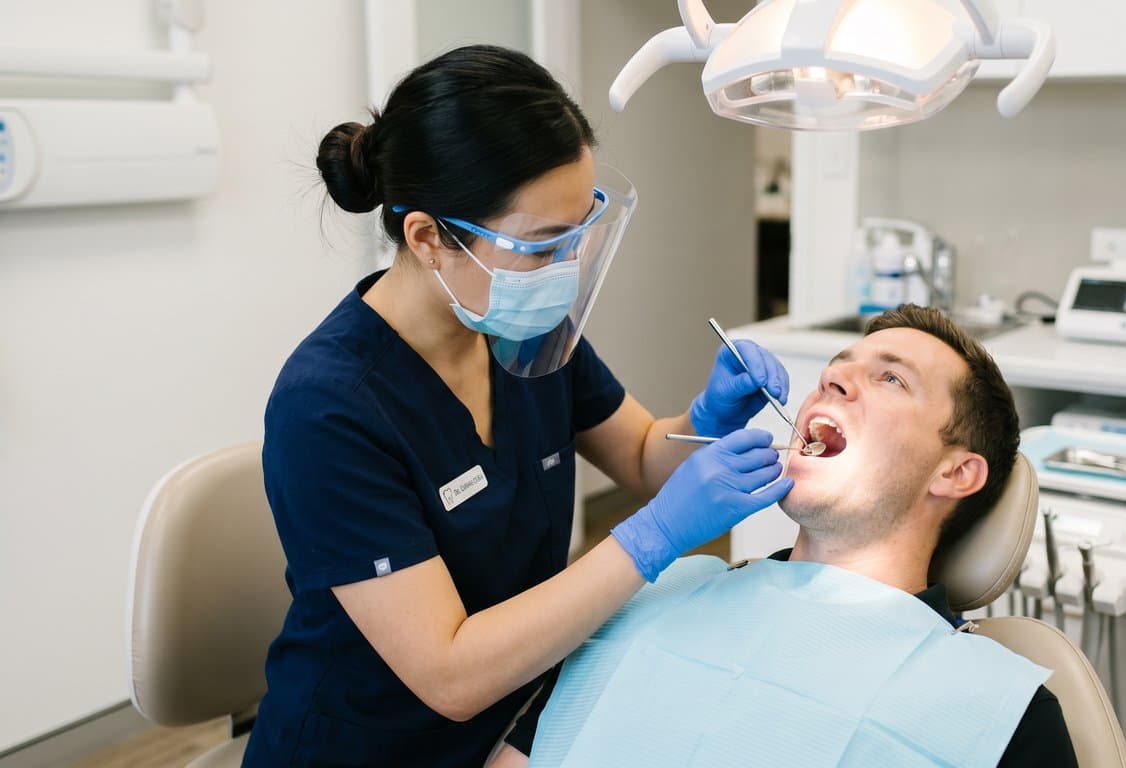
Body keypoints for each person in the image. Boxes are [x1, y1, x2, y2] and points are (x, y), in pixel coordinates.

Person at [243, 45, 795, 767]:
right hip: (375, 745)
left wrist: (707, 419)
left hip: (520, 720)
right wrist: (653, 538)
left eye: (579, 235)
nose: (565, 271)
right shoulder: (329, 407)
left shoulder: (524, 330)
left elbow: (638, 454)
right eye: (540, 249)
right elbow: (450, 673)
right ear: (429, 238)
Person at [493, 304, 1077, 768]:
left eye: (892, 379)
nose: (832, 378)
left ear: (955, 472)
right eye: (839, 365)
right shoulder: (655, 595)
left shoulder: (1000, 710)